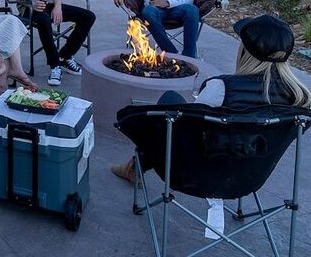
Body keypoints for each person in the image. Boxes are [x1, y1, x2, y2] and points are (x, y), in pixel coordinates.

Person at [111, 14, 310, 238]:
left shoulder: (221, 87)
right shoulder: (299, 98)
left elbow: (190, 131)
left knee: (168, 107)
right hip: (249, 177)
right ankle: (132, 168)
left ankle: (134, 167)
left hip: (194, 174)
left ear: (244, 51)